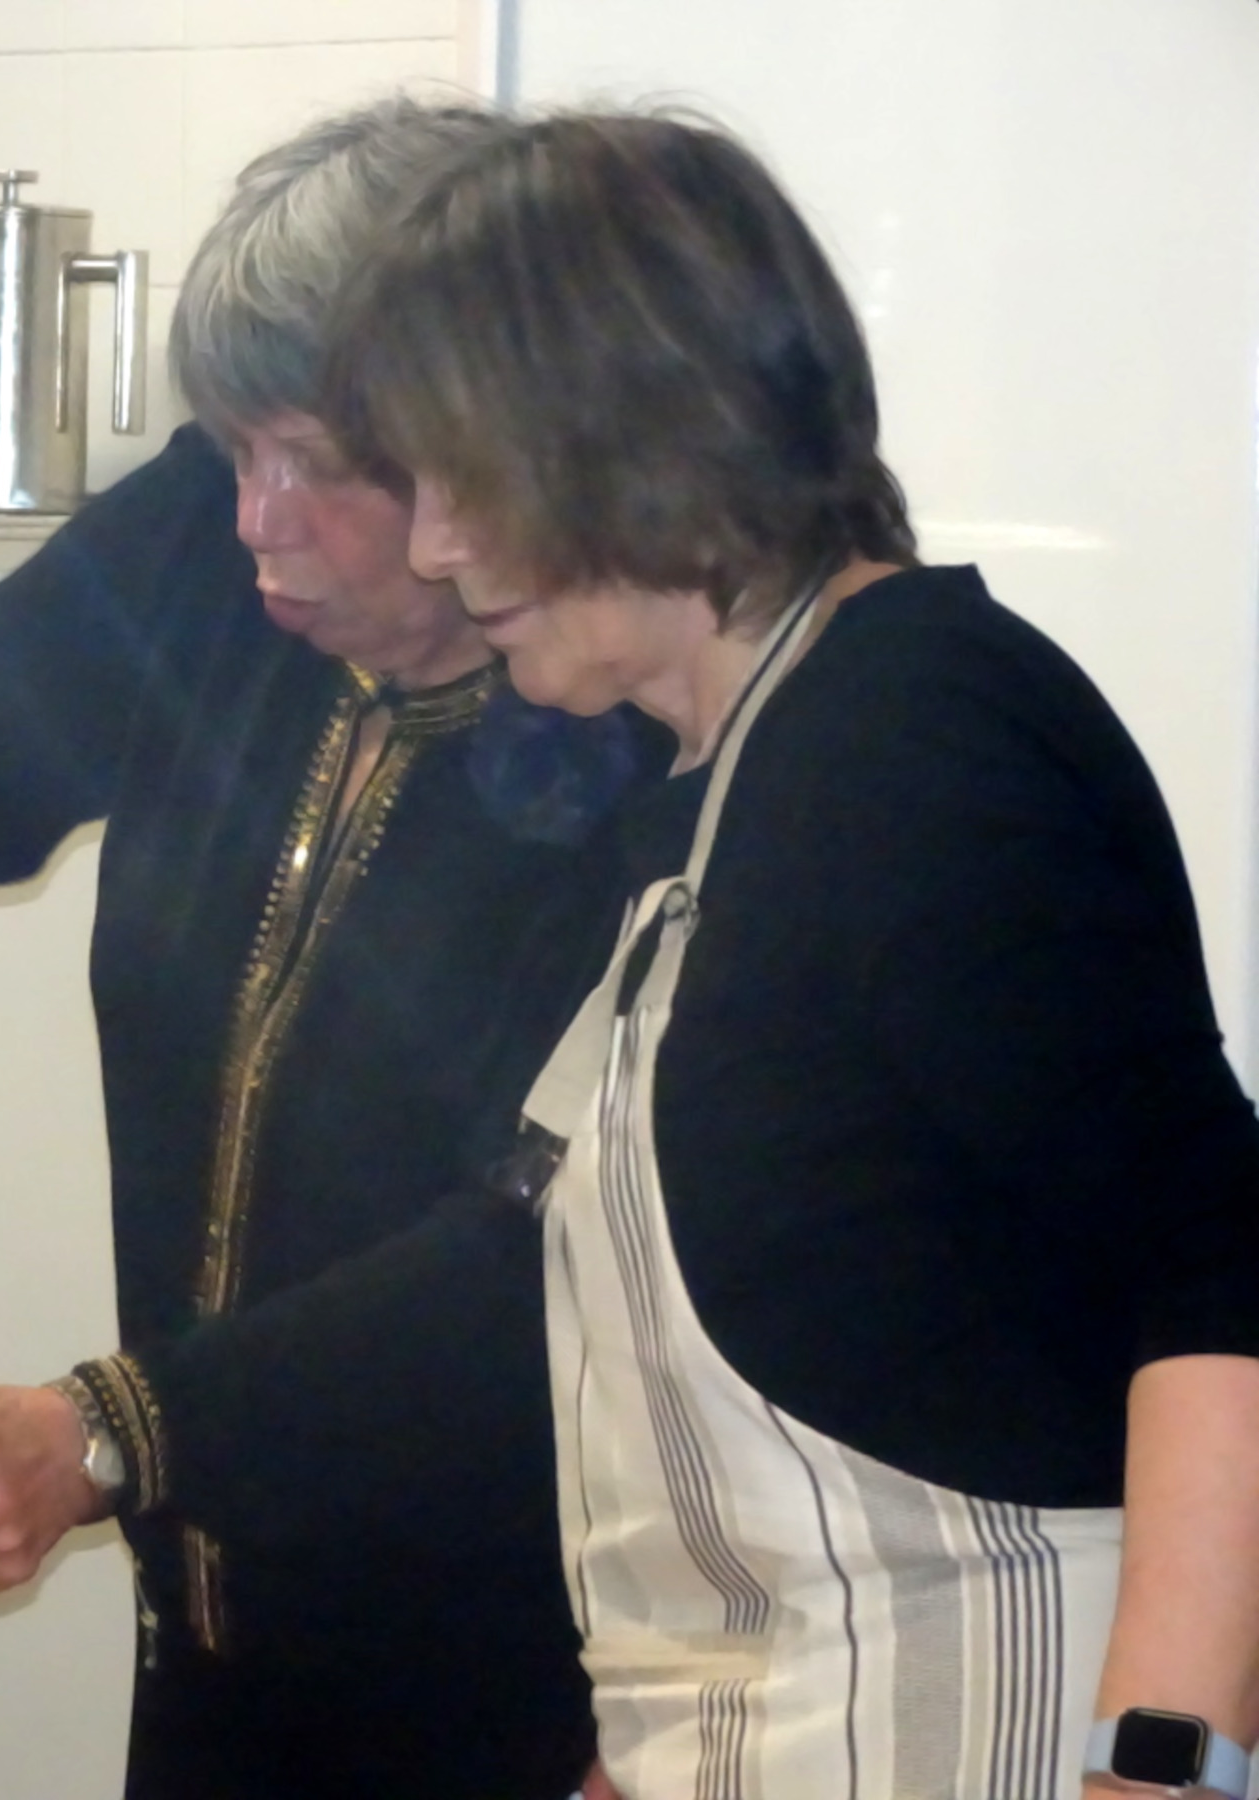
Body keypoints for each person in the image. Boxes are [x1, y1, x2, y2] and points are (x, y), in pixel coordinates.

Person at [0, 98, 658, 1800]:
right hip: (210, 1653)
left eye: (320, 465)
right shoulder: (206, 564)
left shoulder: (644, 733)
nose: (257, 521)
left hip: (542, 1693)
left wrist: (116, 1430)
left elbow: (535, 1256)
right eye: (232, 452)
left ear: (495, 450)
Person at [326, 108, 1259, 1799]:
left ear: (632, 426)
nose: (436, 546)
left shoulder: (918, 735)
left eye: (465, 474)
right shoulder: (706, 787)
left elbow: (1219, 1264)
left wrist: (1164, 1771)